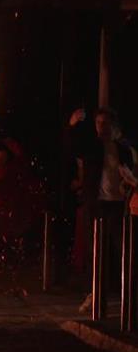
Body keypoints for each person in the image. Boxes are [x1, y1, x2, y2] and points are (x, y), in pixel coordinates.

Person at [70, 108, 136, 312]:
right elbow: (74, 147)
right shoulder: (92, 146)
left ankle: (127, 294)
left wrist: (128, 184)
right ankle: (94, 292)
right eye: (98, 123)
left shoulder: (122, 149)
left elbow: (130, 172)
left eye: (105, 123)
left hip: (117, 204)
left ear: (112, 125)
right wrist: (73, 125)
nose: (102, 127)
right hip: (97, 204)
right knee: (95, 250)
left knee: (121, 249)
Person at [0, 139, 45, 263]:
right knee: (10, 236)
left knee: (5, 236)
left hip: (4, 210)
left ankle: (7, 258)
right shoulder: (10, 171)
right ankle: (12, 257)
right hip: (9, 210)